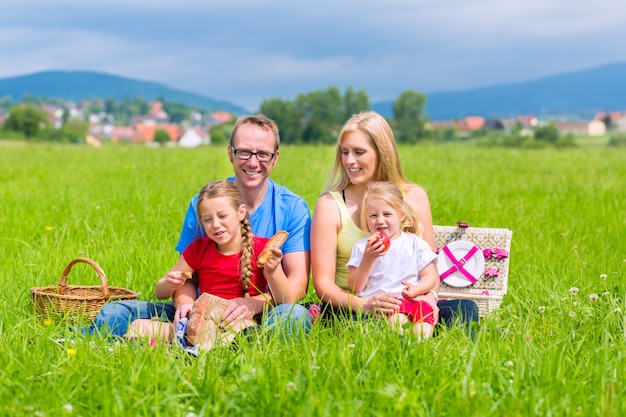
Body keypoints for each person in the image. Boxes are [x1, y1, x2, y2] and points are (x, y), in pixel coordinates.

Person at [91, 114, 312, 338]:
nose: (253, 162)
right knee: (114, 312)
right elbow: (186, 276)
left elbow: (297, 287)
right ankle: (192, 340)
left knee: (293, 318)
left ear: (275, 158)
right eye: (244, 152)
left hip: (261, 314)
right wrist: (185, 304)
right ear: (230, 153)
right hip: (201, 310)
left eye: (263, 154)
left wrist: (253, 304)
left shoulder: (293, 208)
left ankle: (240, 344)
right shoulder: (204, 203)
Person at [310, 111, 478, 330]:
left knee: (465, 308)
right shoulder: (330, 205)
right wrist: (365, 305)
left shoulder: (414, 197)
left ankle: (429, 341)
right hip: (354, 305)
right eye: (344, 152)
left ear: (382, 153)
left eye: (359, 152)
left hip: (409, 302)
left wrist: (430, 298)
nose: (349, 161)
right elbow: (323, 284)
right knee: (360, 323)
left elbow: (430, 269)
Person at [127, 180, 289, 347]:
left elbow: (285, 299)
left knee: (243, 332)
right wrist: (169, 283)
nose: (216, 224)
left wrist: (274, 271)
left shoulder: (261, 249)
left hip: (235, 324)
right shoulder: (198, 249)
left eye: (222, 216)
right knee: (137, 325)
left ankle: (187, 351)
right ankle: (189, 348)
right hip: (199, 323)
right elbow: (160, 293)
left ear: (240, 212)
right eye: (207, 219)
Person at [346, 181, 438, 339]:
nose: (380, 220)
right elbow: (355, 286)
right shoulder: (362, 248)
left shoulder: (415, 244)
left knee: (423, 326)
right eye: (373, 215)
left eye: (387, 214)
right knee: (397, 322)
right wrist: (368, 259)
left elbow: (431, 276)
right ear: (366, 219)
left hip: (416, 300)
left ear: (401, 215)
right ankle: (400, 347)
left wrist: (417, 290)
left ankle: (421, 349)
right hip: (386, 305)